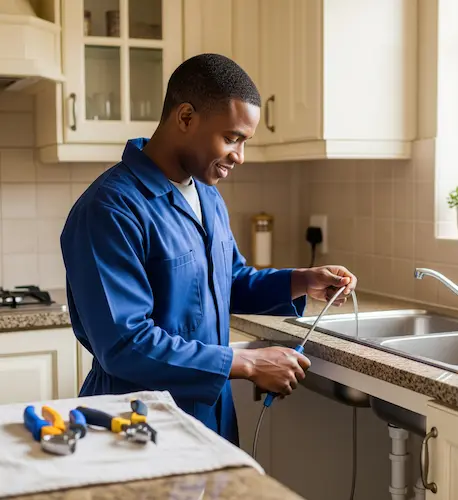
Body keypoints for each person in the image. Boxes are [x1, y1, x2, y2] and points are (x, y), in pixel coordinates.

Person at [60, 53, 357, 446]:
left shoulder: (207, 194)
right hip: (135, 421)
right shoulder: (110, 208)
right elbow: (124, 343)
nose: (240, 156)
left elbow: (227, 281)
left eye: (244, 142)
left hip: (210, 413)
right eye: (232, 138)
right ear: (185, 118)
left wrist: (301, 281)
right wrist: (246, 362)